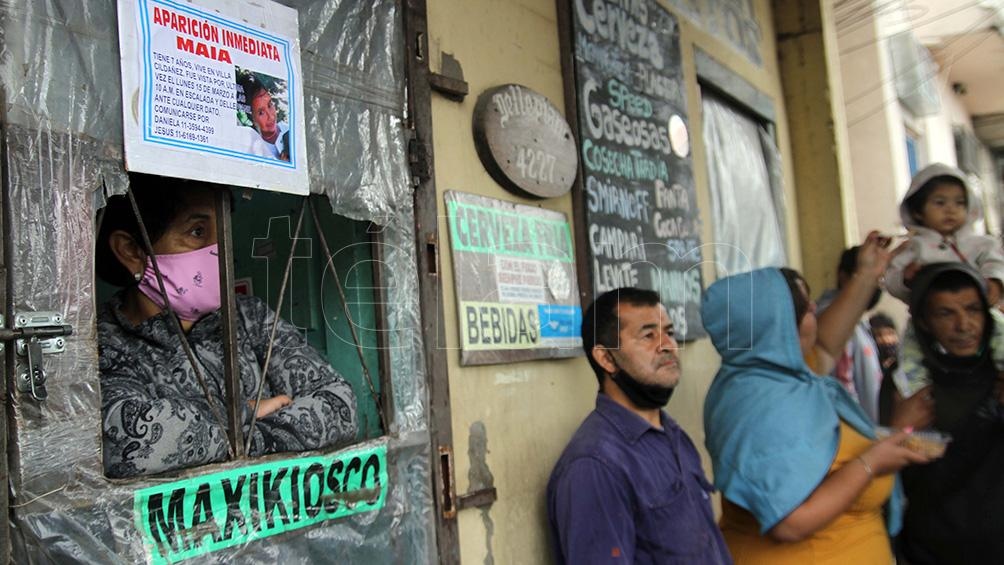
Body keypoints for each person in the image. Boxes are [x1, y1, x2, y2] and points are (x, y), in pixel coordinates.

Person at [96, 174, 356, 478]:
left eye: (224, 232)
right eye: (197, 231)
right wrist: (245, 412)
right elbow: (132, 443)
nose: (219, 251)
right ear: (131, 251)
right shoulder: (103, 343)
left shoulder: (249, 318)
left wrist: (244, 441)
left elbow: (340, 406)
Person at [702, 231, 933, 564]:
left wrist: (868, 274)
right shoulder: (761, 406)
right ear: (778, 325)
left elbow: (824, 344)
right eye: (805, 307)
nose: (816, 308)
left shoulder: (776, 375)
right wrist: (874, 461)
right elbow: (789, 522)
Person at [547, 288, 732, 564]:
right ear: (606, 359)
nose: (668, 345)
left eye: (669, 332)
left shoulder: (672, 434)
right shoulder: (594, 465)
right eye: (648, 336)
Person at [895, 263, 1004, 564]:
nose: (964, 325)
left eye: (973, 310)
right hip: (934, 550)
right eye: (946, 313)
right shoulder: (909, 387)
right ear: (925, 322)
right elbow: (906, 475)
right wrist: (899, 432)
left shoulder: (999, 375)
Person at [884, 162, 1004, 397]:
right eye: (940, 203)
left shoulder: (980, 243)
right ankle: (917, 393)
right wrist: (906, 279)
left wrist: (995, 283)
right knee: (911, 354)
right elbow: (892, 279)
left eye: (959, 203)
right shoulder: (914, 248)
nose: (950, 210)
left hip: (987, 314)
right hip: (924, 321)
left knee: (1001, 334)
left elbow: (996, 263)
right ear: (918, 211)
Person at [817, 245, 885, 422]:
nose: (876, 285)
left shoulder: (858, 325)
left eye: (880, 278)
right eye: (871, 276)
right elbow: (844, 392)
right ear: (843, 276)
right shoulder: (838, 326)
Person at [244, 81, 291, 162]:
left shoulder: (291, 132)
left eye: (269, 105)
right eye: (261, 113)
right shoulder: (253, 151)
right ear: (252, 118)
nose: (271, 116)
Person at [869, 312, 900, 425]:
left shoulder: (900, 366)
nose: (887, 339)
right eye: (879, 335)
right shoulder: (870, 366)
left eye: (890, 333)